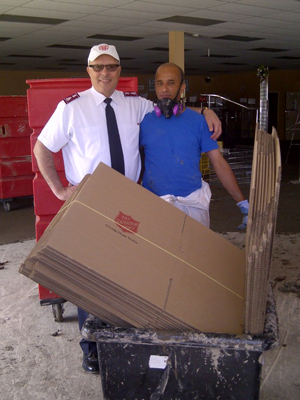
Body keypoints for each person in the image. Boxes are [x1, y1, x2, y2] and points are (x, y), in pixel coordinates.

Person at [33, 44, 222, 374]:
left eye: (111, 66)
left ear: (120, 70)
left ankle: (122, 335)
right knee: (88, 273)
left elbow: (171, 107)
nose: (105, 72)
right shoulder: (71, 109)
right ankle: (90, 347)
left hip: (129, 199)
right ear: (88, 70)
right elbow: (42, 149)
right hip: (91, 201)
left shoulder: (136, 106)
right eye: (98, 66)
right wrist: (60, 190)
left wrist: (204, 110)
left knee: (126, 269)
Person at [140, 62, 249, 229]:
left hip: (192, 205)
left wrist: (242, 202)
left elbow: (218, 162)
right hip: (154, 203)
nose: (164, 89)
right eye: (159, 83)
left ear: (182, 87)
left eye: (171, 82)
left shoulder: (198, 122)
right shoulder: (145, 121)